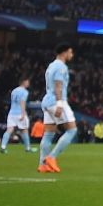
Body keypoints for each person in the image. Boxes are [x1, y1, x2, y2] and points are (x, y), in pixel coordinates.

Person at [38, 44, 78, 174]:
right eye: (70, 52)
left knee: (49, 134)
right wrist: (60, 104)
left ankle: (42, 164)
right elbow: (58, 85)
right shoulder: (61, 67)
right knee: (72, 130)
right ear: (64, 53)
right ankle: (51, 157)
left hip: (47, 101)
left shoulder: (51, 66)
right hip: (56, 101)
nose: (72, 55)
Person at [0, 76, 31, 153]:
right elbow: (22, 102)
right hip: (20, 113)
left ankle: (3, 147)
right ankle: (27, 148)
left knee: (9, 130)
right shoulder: (25, 92)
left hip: (11, 113)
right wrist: (23, 113)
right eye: (27, 81)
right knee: (24, 130)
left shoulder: (14, 91)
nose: (28, 83)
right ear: (24, 82)